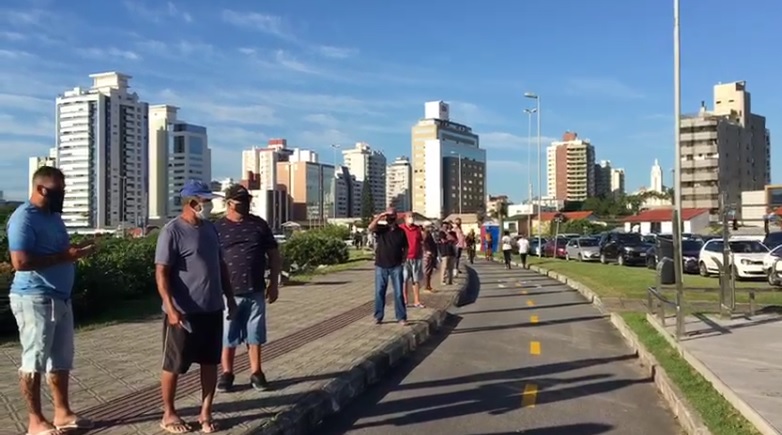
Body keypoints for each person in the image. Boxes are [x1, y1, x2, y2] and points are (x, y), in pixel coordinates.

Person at [7, 166, 97, 435]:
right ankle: (35, 421)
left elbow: (59, 252)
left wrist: (76, 252)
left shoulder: (54, 218)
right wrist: (65, 258)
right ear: (40, 189)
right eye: (59, 191)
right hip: (34, 297)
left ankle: (63, 413)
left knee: (61, 359)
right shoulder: (24, 217)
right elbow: (19, 262)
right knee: (33, 359)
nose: (63, 196)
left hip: (61, 297)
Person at [154, 179, 238, 434]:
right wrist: (170, 307)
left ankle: (206, 412)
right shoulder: (172, 231)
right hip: (183, 312)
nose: (210, 205)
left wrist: (230, 298)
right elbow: (161, 273)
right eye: (205, 201)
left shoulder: (210, 229)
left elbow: (220, 265)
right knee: (175, 364)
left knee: (210, 362)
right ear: (192, 203)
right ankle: (169, 413)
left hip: (212, 309)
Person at [215, 185, 281, 393]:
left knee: (255, 333)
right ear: (229, 203)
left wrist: (274, 284)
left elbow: (274, 255)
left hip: (255, 289)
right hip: (228, 291)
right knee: (228, 334)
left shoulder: (258, 225)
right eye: (240, 201)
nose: (245, 205)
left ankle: (257, 372)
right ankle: (227, 373)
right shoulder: (217, 228)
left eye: (247, 201)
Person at [368, 208, 408, 325]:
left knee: (399, 292)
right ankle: (378, 316)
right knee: (379, 291)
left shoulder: (401, 232)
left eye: (392, 216)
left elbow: (406, 247)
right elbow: (370, 227)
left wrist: (404, 259)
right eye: (388, 216)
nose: (390, 218)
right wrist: (380, 216)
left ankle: (401, 317)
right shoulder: (381, 230)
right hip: (381, 265)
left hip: (396, 266)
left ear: (396, 217)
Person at [400, 215, 425, 308]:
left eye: (413, 217)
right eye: (409, 216)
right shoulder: (401, 228)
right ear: (405, 218)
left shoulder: (417, 229)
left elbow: (421, 242)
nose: (411, 218)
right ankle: (405, 300)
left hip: (416, 257)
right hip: (405, 258)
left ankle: (417, 300)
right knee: (404, 279)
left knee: (416, 280)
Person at [422, 227, 438, 291]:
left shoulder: (430, 236)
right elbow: (424, 243)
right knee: (427, 272)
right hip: (427, 255)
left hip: (431, 255)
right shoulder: (425, 236)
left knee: (429, 272)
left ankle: (428, 286)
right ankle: (426, 286)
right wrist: (428, 252)